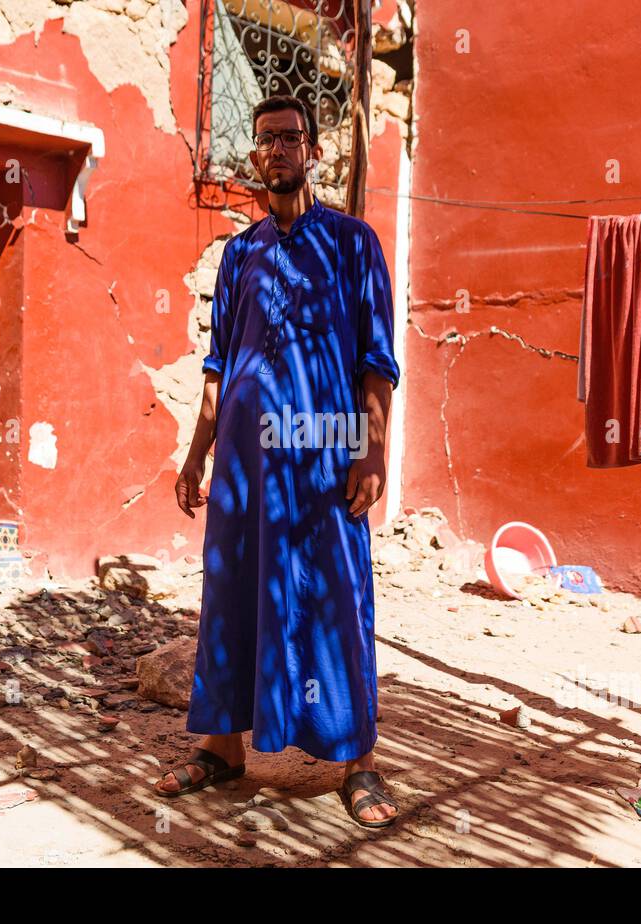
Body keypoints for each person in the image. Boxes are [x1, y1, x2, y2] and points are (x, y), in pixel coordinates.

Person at [154, 94, 402, 827]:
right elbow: (217, 364)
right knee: (230, 593)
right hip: (240, 465)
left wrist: (371, 454)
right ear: (255, 156)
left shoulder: (356, 245)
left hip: (324, 460)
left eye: (292, 138)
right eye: (266, 140)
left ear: (314, 153)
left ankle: (358, 760)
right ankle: (223, 747)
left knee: (337, 595)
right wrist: (196, 454)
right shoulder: (239, 255)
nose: (279, 149)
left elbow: (376, 363)